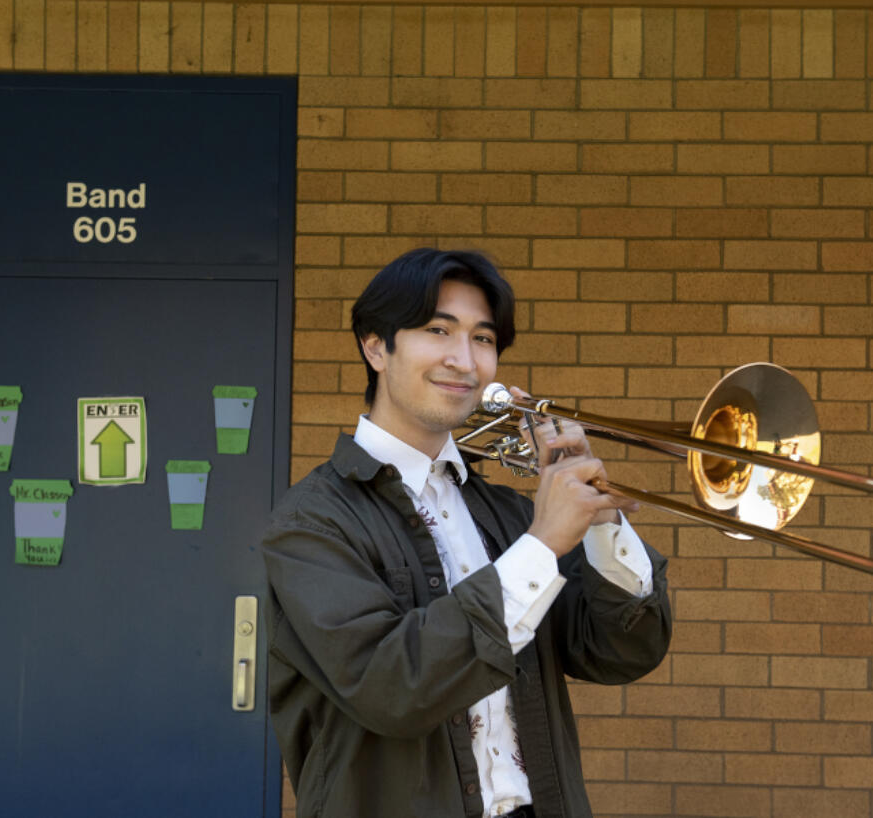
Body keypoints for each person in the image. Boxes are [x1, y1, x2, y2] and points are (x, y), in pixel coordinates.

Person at [261, 248, 672, 818]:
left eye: (483, 339)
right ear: (375, 346)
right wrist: (544, 543)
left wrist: (602, 521)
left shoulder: (505, 512)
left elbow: (618, 654)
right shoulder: (311, 522)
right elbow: (390, 686)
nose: (465, 360)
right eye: (437, 330)